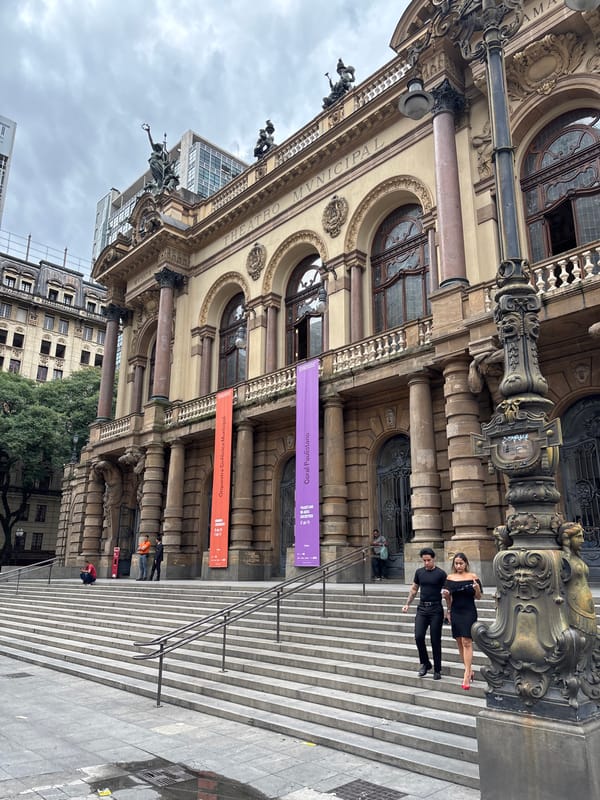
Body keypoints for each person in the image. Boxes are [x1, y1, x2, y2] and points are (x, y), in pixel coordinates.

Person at [402, 547, 448, 679]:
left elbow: (446, 593)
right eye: (424, 560)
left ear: (433, 559)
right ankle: (425, 663)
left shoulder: (441, 574)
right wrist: (407, 604)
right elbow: (414, 589)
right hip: (422, 609)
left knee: (435, 640)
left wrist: (448, 610)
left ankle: (437, 669)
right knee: (418, 636)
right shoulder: (419, 572)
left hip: (436, 609)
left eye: (428, 560)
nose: (426, 563)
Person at [443, 552, 482, 690]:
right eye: (456, 563)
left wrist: (477, 589)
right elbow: (448, 599)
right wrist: (447, 606)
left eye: (461, 563)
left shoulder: (473, 577)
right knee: (459, 640)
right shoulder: (450, 578)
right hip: (456, 611)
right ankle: (469, 669)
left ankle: (466, 674)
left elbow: (478, 597)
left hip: (469, 611)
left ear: (466, 563)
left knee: (467, 640)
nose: (459, 566)